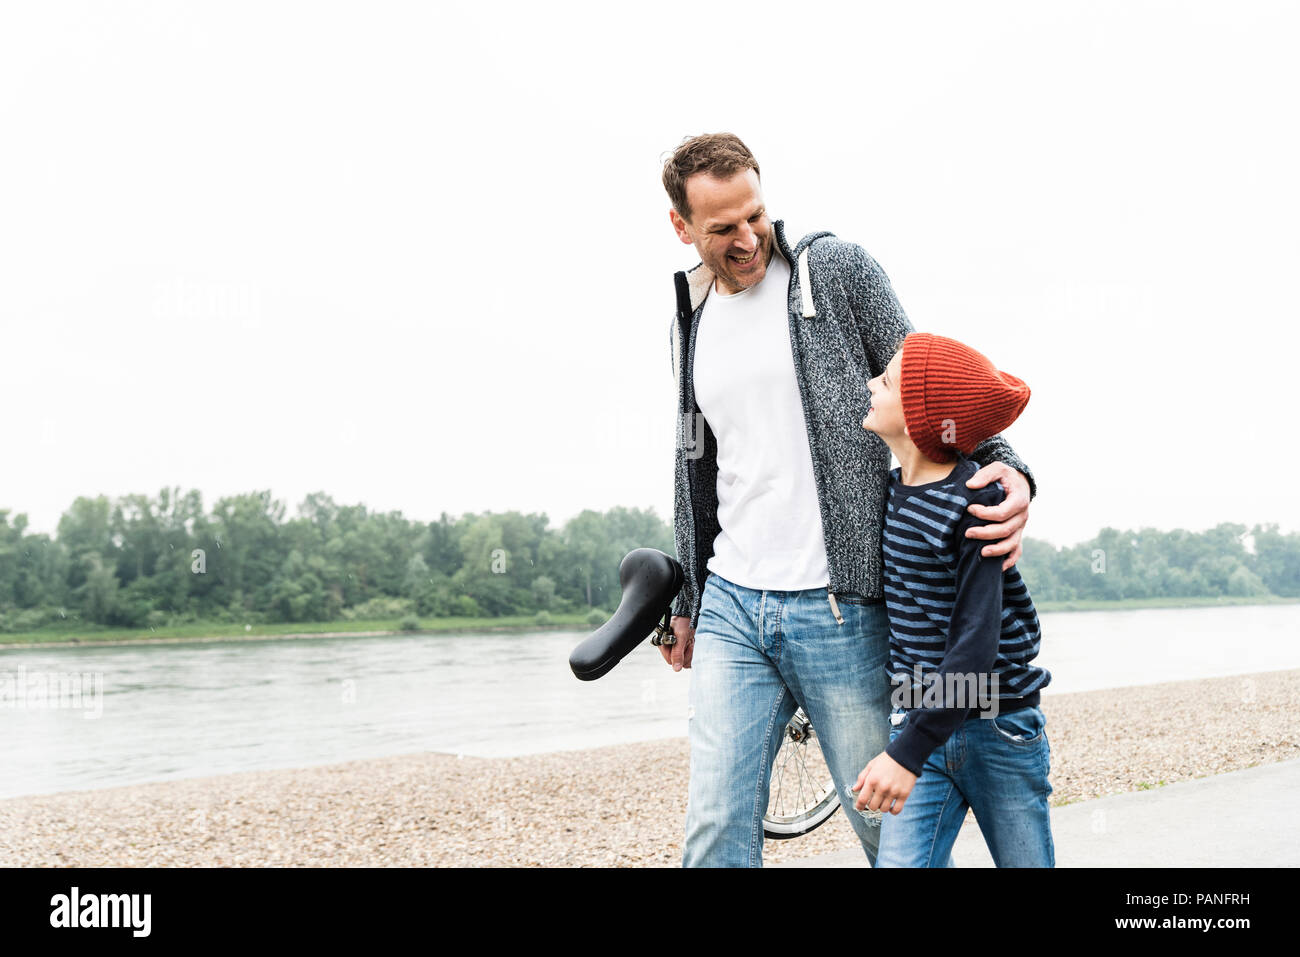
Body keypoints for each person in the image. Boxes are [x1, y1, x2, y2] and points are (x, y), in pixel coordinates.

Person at [659, 132, 1038, 867]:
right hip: (736, 600)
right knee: (713, 826)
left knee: (887, 833)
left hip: (843, 608)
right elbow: (691, 466)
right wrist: (688, 596)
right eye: (722, 228)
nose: (747, 239)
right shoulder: (690, 316)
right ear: (681, 226)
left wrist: (1010, 466)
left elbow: (929, 376)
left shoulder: (833, 272)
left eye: (755, 215)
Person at [850, 333, 1053, 867]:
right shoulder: (891, 488)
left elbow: (975, 647)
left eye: (887, 380)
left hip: (998, 725)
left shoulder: (977, 505)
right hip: (921, 721)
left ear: (921, 417)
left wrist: (906, 754)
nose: (872, 383)